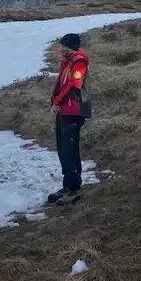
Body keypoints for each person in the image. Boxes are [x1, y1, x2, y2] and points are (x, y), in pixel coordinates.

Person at [47, 33, 90, 206]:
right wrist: (56, 103)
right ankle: (67, 185)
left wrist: (57, 101)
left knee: (70, 149)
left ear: (70, 46)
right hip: (64, 110)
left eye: (63, 45)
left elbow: (75, 85)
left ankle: (74, 189)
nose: (60, 48)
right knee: (63, 148)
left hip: (74, 109)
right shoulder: (67, 62)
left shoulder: (79, 62)